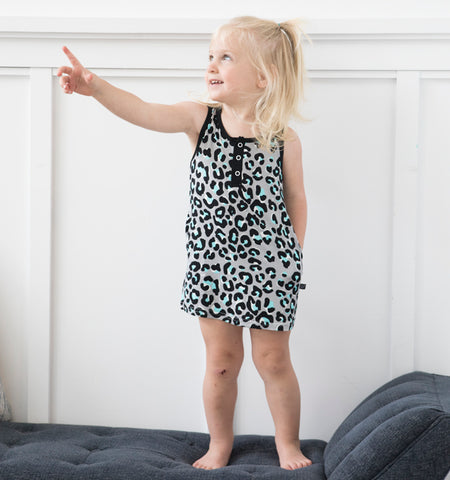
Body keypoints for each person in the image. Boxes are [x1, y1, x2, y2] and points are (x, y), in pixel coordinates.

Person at [57, 15, 311, 471]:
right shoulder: (200, 120)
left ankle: (287, 445)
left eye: (226, 57)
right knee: (221, 362)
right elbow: (143, 110)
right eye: (210, 56)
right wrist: (95, 87)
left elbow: (296, 199)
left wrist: (293, 255)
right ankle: (219, 444)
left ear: (263, 75)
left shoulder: (283, 138)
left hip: (272, 267)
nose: (212, 64)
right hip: (213, 267)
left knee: (273, 360)